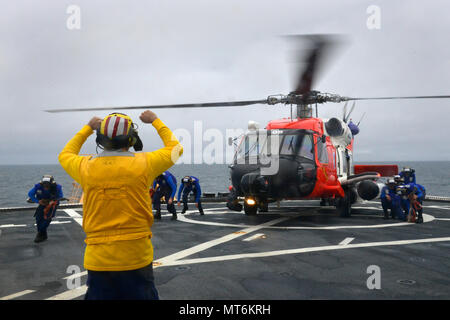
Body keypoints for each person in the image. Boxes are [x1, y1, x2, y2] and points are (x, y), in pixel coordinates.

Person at [58, 111, 183, 300]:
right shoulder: (145, 163)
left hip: (98, 259)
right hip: (137, 257)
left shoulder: (85, 166)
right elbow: (176, 149)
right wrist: (155, 121)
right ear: (131, 140)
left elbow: (65, 154)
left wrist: (87, 128)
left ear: (100, 139)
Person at [27, 175, 63, 243]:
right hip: (42, 203)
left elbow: (60, 196)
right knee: (38, 218)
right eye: (44, 185)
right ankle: (43, 234)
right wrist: (38, 201)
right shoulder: (38, 186)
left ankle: (40, 234)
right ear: (42, 184)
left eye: (48, 185)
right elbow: (30, 194)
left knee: (47, 218)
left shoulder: (57, 188)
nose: (46, 186)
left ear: (51, 184)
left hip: (52, 204)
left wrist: (53, 201)